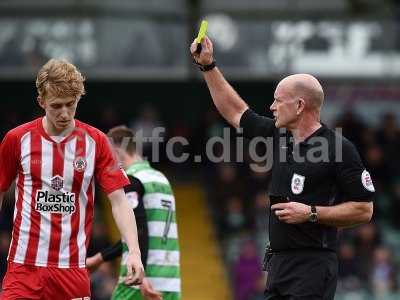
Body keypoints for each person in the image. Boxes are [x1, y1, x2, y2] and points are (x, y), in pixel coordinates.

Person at [190, 37, 374, 300]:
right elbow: (234, 111)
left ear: (299, 105)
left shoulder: (339, 148)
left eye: (278, 100)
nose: (272, 107)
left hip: (313, 265)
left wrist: (311, 213)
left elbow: (364, 209)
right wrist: (208, 66)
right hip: (278, 265)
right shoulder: (279, 136)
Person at [0, 59, 144, 299]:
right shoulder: (17, 139)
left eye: (71, 104)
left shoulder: (96, 142)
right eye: (56, 106)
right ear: (41, 102)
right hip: (24, 270)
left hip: (72, 273)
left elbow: (119, 201)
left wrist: (134, 252)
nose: (65, 113)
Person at [86, 125, 181, 300]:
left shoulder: (131, 179)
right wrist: (100, 258)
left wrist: (141, 277)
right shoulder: (161, 179)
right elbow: (141, 230)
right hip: (170, 279)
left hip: (140, 278)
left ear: (115, 151)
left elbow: (138, 229)